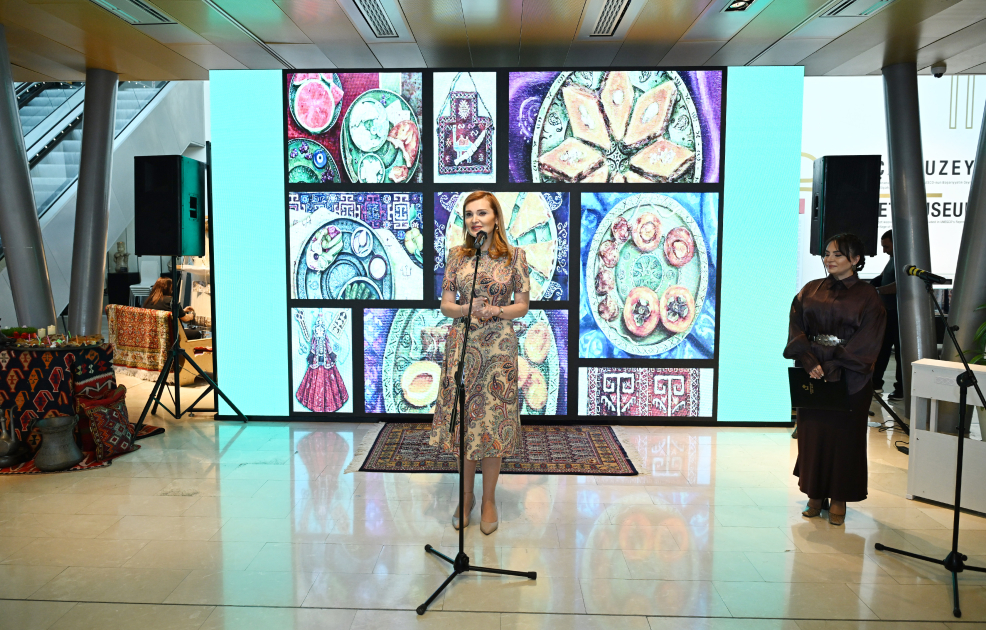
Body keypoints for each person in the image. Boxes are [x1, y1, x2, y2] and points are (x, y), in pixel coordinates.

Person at [429, 191, 530, 535]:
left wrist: (495, 310)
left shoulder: (515, 257)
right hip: (463, 346)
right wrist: (465, 309)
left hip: (499, 349)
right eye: (469, 214)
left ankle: (488, 499)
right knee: (465, 424)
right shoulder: (457, 257)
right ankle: (466, 497)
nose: (475, 220)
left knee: (492, 423)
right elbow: (446, 305)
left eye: (482, 213)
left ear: (496, 218)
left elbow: (522, 306)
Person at [784, 233, 886, 526]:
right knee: (812, 435)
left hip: (850, 377)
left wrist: (833, 364)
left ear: (855, 259)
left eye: (837, 254)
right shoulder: (811, 289)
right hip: (812, 372)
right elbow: (796, 325)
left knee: (844, 438)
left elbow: (870, 338)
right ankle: (814, 494)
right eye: (827, 253)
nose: (829, 259)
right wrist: (807, 359)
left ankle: (839, 497)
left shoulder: (868, 296)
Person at [870, 230, 903, 400]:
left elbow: (901, 285)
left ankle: (901, 389)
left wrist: (876, 290)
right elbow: (883, 277)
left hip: (898, 314)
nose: (884, 250)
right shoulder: (892, 259)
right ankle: (875, 383)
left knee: (900, 353)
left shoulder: (903, 260)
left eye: (886, 247)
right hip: (887, 313)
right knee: (882, 349)